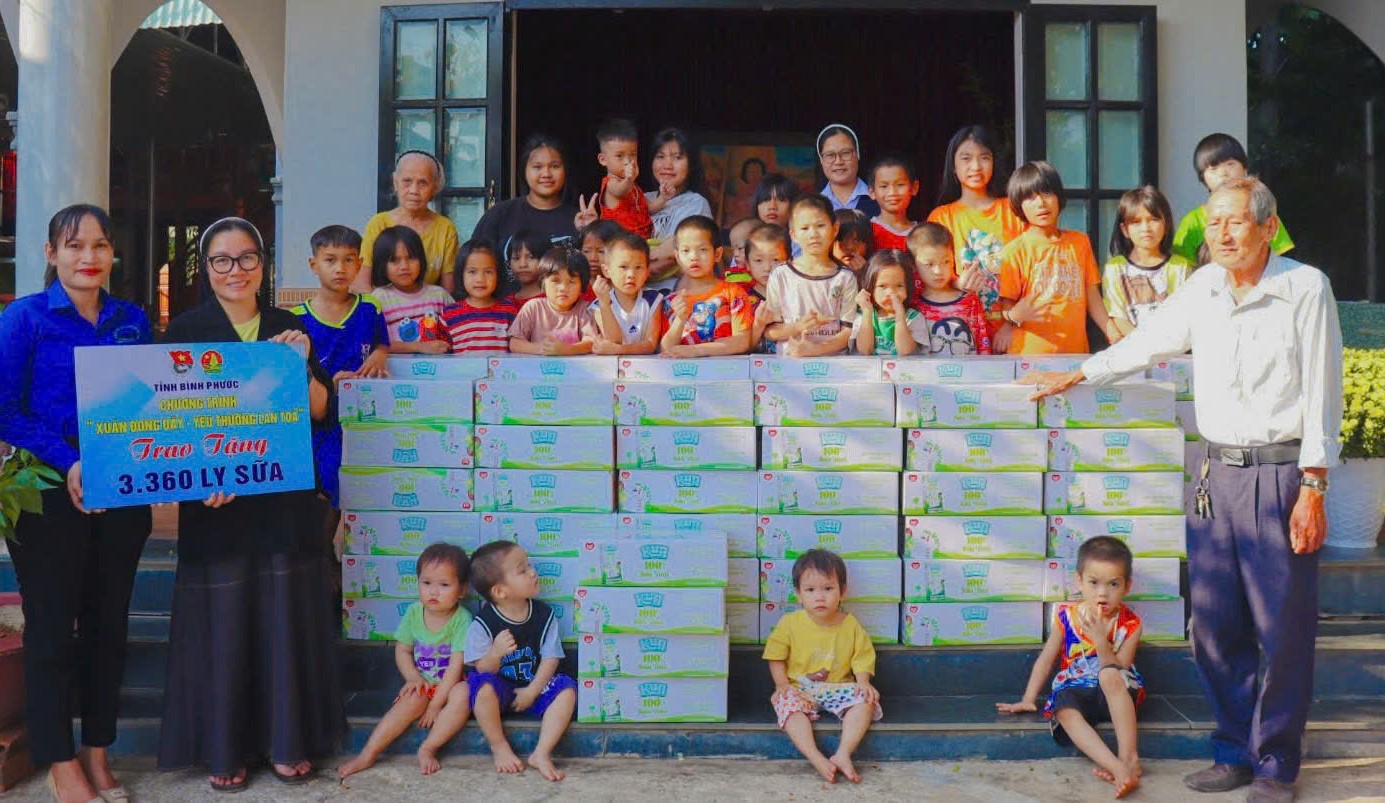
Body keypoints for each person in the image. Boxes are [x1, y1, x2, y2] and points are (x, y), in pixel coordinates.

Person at [1022, 177, 1343, 803]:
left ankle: (1277, 764)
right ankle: (1234, 752)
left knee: (1282, 630)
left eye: (1235, 221)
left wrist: (1313, 485)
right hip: (1215, 475)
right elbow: (1147, 343)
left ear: (1267, 228)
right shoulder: (1203, 288)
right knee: (1215, 626)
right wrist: (1080, 372)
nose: (1222, 233)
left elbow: (1323, 388)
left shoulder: (1304, 288)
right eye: (1213, 222)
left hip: (1280, 474)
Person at [158, 217, 343, 792]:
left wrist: (299, 363)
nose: (235, 270)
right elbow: (165, 420)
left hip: (281, 500)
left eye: (246, 259)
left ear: (263, 265)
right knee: (225, 627)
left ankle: (286, 743)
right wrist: (197, 478)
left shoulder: (288, 327)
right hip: (215, 504)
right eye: (222, 260)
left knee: (281, 623)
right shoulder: (185, 332)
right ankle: (226, 748)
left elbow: (321, 410)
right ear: (206, 268)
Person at [0, 204, 153, 803]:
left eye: (100, 245)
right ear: (51, 254)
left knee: (108, 627)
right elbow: (6, 410)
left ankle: (97, 751)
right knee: (51, 630)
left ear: (113, 253)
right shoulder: (24, 319)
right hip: (46, 494)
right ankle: (60, 761)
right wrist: (69, 462)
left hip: (122, 492)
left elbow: (153, 402)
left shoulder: (131, 320)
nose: (89, 257)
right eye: (74, 245)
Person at [997, 537, 1145, 798]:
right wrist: (1029, 698)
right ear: (1079, 581)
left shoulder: (1131, 623)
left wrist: (1100, 639)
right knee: (1063, 709)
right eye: (1094, 583)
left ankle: (1129, 758)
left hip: (1116, 692)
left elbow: (1120, 667)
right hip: (1078, 688)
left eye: (1113, 584)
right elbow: (1046, 659)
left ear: (1127, 586)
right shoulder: (1066, 616)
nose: (1102, 593)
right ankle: (1117, 768)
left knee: (1109, 675)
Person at [291, 224, 389, 555]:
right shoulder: (296, 318)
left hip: (362, 418)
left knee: (357, 488)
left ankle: (340, 564)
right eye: (330, 259)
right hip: (319, 421)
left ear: (359, 264)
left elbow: (382, 345)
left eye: (349, 260)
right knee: (322, 483)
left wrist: (378, 356)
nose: (340, 268)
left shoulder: (370, 308)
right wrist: (327, 384)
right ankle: (319, 560)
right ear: (313, 264)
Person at [338, 543, 474, 779]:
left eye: (444, 585)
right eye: (426, 583)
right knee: (410, 699)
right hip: (424, 681)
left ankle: (428, 748)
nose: (433, 592)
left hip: (452, 684)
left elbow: (456, 666)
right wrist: (413, 678)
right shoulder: (413, 613)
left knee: (463, 694)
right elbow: (402, 650)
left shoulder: (462, 619)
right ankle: (368, 754)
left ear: (462, 590)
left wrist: (436, 705)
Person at [763, 549, 881, 785]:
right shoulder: (790, 623)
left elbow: (862, 657)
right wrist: (782, 684)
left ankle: (843, 753)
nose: (819, 597)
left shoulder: (850, 624)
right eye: (810, 590)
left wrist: (863, 681)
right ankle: (815, 757)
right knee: (788, 706)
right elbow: (775, 656)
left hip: (838, 687)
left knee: (866, 701)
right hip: (800, 689)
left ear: (842, 592)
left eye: (828, 589)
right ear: (798, 594)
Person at [465, 541, 577, 782]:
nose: (533, 572)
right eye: (522, 570)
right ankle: (499, 746)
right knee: (480, 686)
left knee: (567, 688)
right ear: (500, 591)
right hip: (500, 688)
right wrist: (495, 653)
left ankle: (541, 753)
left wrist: (532, 691)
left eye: (529, 566)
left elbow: (550, 658)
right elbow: (481, 668)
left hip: (534, 684)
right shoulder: (484, 622)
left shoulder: (544, 615)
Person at [995, 161, 1114, 354]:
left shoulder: (1080, 242)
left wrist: (1110, 330)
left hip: (1075, 352)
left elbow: (1092, 294)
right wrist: (1013, 317)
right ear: (1019, 206)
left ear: (1059, 197)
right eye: (1030, 198)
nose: (1041, 203)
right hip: (1030, 354)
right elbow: (1007, 307)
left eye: (1047, 193)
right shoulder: (1014, 251)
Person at [927, 124, 1027, 336]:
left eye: (984, 157)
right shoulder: (941, 217)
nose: (975, 166)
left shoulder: (1013, 211)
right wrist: (957, 283)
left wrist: (1011, 325)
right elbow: (929, 273)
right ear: (953, 166)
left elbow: (1032, 273)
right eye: (966, 158)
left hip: (1013, 331)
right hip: (959, 331)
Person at [1172, 133, 1294, 265]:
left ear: (1245, 169)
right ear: (1203, 178)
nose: (1223, 173)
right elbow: (1181, 268)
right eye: (1214, 168)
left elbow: (1282, 260)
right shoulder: (1192, 221)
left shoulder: (1262, 212)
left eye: (1230, 164)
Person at [764, 195, 858, 357]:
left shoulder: (845, 277)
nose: (813, 234)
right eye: (804, 228)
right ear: (793, 235)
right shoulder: (781, 275)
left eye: (820, 226)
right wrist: (798, 327)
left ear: (834, 229)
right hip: (789, 363)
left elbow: (848, 332)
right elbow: (770, 331)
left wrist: (815, 349)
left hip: (834, 364)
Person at [357, 150, 460, 295]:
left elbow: (448, 291)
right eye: (407, 181)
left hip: (428, 308)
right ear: (395, 182)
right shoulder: (379, 223)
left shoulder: (445, 228)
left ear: (435, 187)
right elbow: (361, 284)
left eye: (423, 183)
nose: (414, 190)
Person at [1103, 186, 1193, 341]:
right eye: (1136, 222)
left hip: (1171, 348)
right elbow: (1117, 315)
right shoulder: (1115, 268)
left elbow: (1183, 314)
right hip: (1131, 347)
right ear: (1125, 229)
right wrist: (1144, 344)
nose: (1145, 228)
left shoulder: (1181, 267)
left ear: (1166, 224)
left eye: (1153, 220)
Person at [659, 215, 754, 357]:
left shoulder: (733, 293)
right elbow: (666, 349)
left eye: (702, 249)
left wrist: (697, 350)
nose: (694, 257)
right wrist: (680, 319)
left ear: (717, 254)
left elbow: (742, 342)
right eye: (686, 251)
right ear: (677, 257)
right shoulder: (672, 302)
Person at [471, 133, 583, 249]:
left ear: (565, 171)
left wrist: (589, 229)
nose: (546, 174)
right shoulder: (500, 214)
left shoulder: (579, 220)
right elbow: (474, 256)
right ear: (524, 170)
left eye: (554, 166)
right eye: (537, 167)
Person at [908, 222, 992, 355]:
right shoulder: (913, 305)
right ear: (913, 265)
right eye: (929, 264)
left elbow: (982, 344)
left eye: (946, 262)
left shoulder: (969, 301)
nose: (938, 271)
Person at [645, 127, 714, 284]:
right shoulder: (641, 199)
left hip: (674, 292)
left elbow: (670, 255)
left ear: (691, 164)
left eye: (677, 158)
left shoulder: (695, 203)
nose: (667, 165)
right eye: (660, 156)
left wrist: (626, 266)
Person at [371, 225, 452, 353]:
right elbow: (373, 343)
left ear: (421, 259)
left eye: (411, 258)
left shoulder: (439, 295)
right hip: (395, 366)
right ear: (382, 265)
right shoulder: (379, 298)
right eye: (394, 260)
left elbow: (458, 331)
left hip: (438, 365)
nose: (404, 266)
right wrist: (420, 347)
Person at [508, 246, 599, 355]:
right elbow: (514, 343)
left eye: (571, 282)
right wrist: (540, 348)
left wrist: (567, 349)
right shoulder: (533, 308)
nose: (563, 288)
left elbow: (591, 343)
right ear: (543, 282)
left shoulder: (585, 309)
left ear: (582, 285)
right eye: (556, 281)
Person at [591, 231, 665, 355]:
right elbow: (614, 341)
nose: (631, 274)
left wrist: (619, 350)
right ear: (606, 270)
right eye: (623, 267)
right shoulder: (599, 305)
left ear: (647, 271)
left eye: (638, 267)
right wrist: (605, 305)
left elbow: (650, 344)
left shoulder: (653, 299)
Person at [442, 239, 518, 354]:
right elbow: (441, 356)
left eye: (488, 272)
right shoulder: (449, 314)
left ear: (498, 275)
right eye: (472, 272)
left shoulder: (509, 311)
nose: (480, 279)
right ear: (461, 274)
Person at [851, 249, 929, 357]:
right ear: (871, 287)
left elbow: (905, 351)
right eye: (882, 286)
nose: (891, 293)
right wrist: (867, 311)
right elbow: (865, 350)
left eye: (899, 286)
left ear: (908, 287)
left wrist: (900, 316)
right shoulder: (863, 315)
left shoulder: (913, 318)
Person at [591, 117, 656, 239]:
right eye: (619, 156)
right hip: (619, 242)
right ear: (603, 159)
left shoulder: (634, 186)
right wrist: (629, 179)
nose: (627, 161)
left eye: (633, 155)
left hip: (642, 239)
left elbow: (650, 208)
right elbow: (621, 191)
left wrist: (664, 197)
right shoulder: (611, 183)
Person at [816, 124, 881, 217]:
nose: (838, 161)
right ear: (821, 160)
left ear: (857, 154)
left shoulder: (880, 198)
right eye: (830, 155)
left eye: (846, 153)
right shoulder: (814, 204)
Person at [867, 155, 920, 252]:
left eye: (900, 185)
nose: (892, 192)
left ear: (914, 188)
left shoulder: (922, 233)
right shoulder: (867, 232)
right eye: (884, 186)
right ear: (872, 192)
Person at [503, 229, 554, 308]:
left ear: (546, 259)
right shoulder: (505, 304)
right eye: (516, 258)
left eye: (531, 257)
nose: (523, 265)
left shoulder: (553, 302)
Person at [578, 219, 624, 284]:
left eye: (601, 251)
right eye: (586, 251)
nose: (593, 258)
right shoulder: (575, 282)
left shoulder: (624, 285)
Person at [833, 209, 874, 276]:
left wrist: (864, 275)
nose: (850, 247)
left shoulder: (878, 274)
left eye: (857, 240)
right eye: (842, 239)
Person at [724, 216, 760, 284]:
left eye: (740, 248)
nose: (735, 254)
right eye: (733, 250)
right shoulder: (735, 271)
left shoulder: (766, 272)